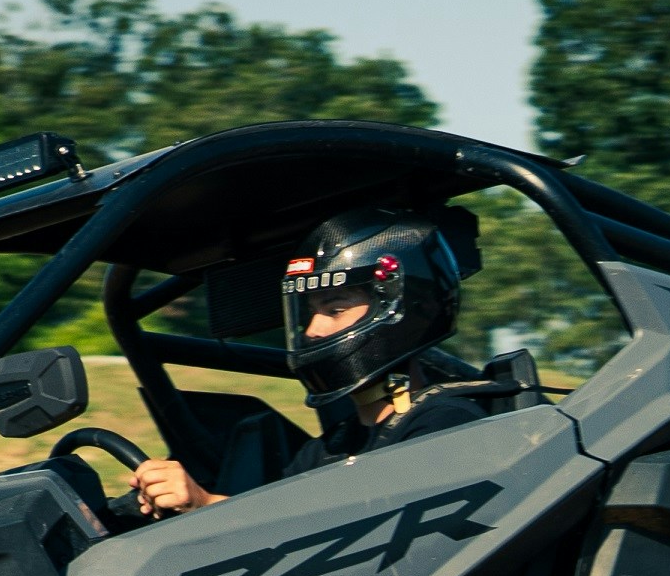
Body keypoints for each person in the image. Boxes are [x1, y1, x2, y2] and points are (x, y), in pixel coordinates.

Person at [129, 207, 521, 518]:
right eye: (311, 312)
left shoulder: (446, 425)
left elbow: (365, 538)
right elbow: (269, 524)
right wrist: (191, 504)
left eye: (334, 310)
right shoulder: (333, 445)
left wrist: (204, 504)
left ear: (396, 310)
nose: (312, 330)